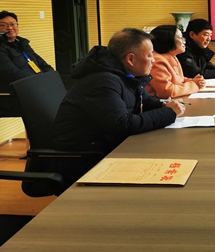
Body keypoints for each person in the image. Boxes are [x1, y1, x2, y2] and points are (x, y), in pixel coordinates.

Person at [53, 28, 185, 184]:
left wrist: (164, 105)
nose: (153, 60)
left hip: (111, 146)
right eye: (149, 55)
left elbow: (145, 100)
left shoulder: (124, 75)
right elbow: (122, 124)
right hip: (87, 159)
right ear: (131, 59)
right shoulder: (102, 81)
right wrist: (169, 113)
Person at [0, 11, 54, 109]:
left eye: (13, 24)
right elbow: (14, 75)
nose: (9, 28)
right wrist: (41, 83)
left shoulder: (22, 44)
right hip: (14, 95)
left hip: (35, 88)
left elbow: (43, 65)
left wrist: (50, 79)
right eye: (3, 25)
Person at [146, 25, 206, 99]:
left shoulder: (172, 57)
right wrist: (194, 85)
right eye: (180, 38)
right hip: (157, 104)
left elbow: (178, 80)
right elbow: (167, 91)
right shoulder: (157, 61)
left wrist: (195, 81)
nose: (184, 41)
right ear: (168, 40)